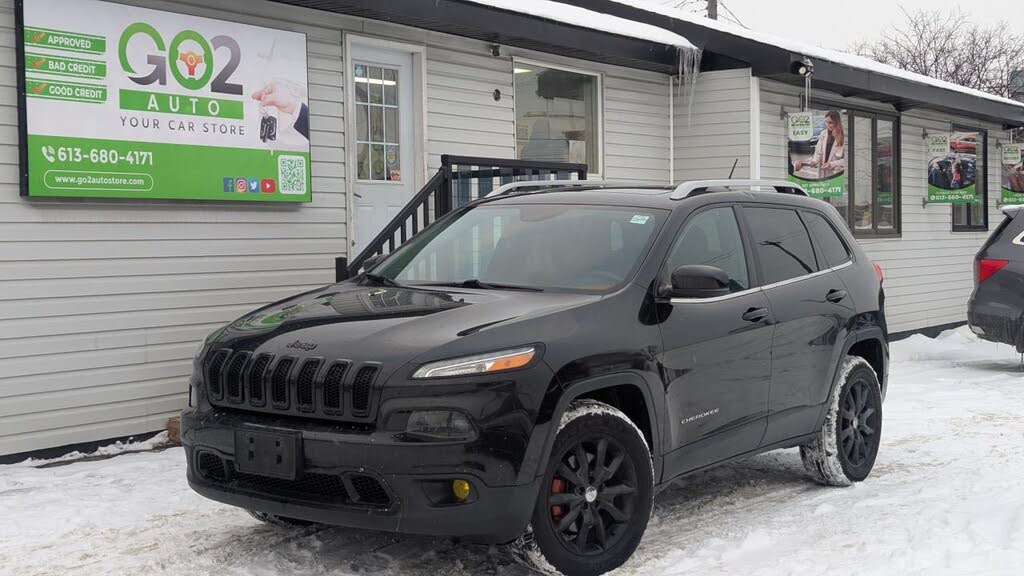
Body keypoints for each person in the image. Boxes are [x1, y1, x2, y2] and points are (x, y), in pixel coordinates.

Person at [793, 110, 845, 177]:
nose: (827, 125)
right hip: (822, 175)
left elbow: (846, 160)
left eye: (830, 123)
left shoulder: (843, 137)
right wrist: (814, 161)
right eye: (826, 122)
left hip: (836, 175)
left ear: (836, 123)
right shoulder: (823, 134)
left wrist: (832, 164)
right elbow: (817, 153)